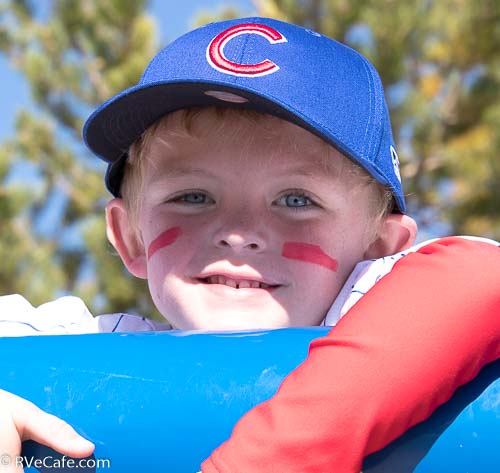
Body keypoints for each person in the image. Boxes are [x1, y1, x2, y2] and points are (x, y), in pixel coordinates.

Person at [0, 17, 498, 473]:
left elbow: (481, 275)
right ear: (131, 236)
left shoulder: (367, 312)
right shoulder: (90, 343)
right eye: (192, 196)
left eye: (296, 200)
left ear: (378, 248)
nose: (239, 232)